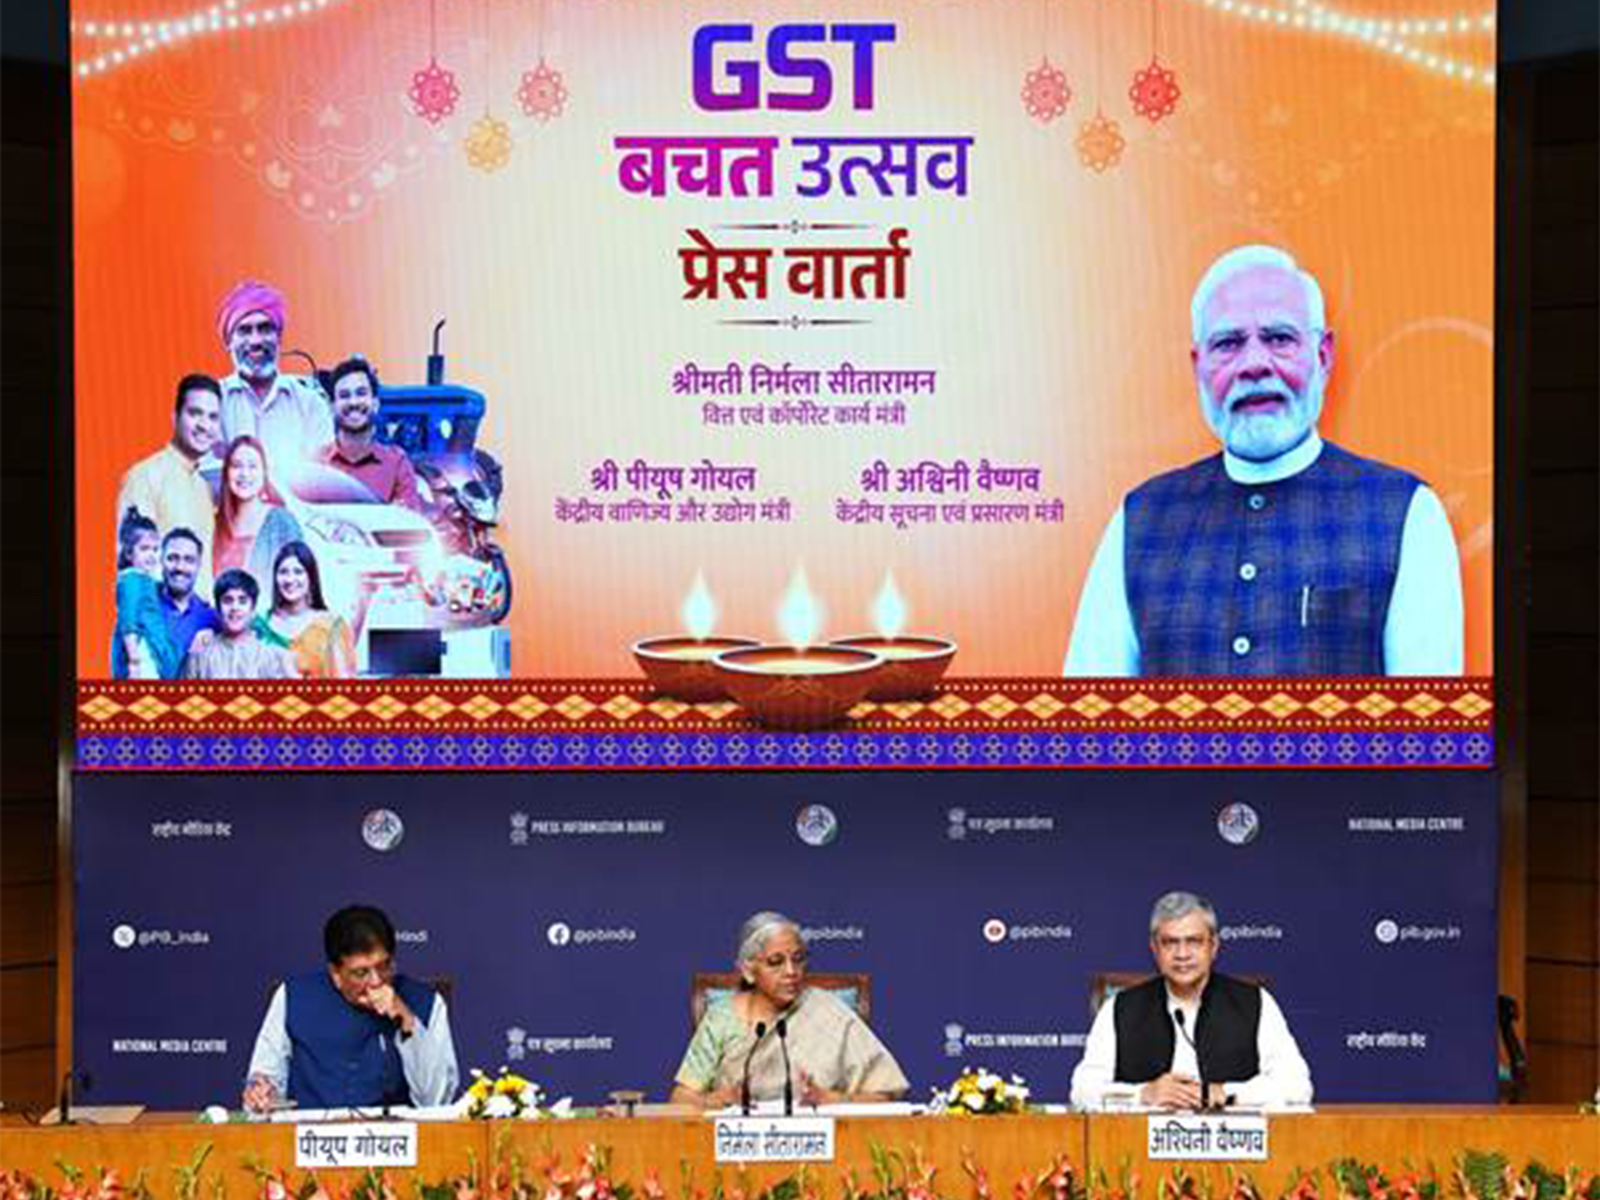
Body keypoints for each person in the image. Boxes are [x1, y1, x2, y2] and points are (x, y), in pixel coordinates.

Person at [1064, 244, 1463, 678]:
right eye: (1228, 344)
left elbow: (1425, 718)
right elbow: (1090, 717)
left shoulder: (1408, 513)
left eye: (1279, 339)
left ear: (1323, 355)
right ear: (1198, 366)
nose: (1253, 364)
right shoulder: (1139, 519)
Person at [1069, 891, 1312, 1110]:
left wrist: (1226, 1094)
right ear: (1154, 949)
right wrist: (1143, 1094)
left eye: (1194, 941)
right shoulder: (1119, 1009)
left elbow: (1298, 1086)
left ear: (1213, 946)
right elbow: (1081, 1091)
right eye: (1170, 942)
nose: (1182, 954)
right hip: (1136, 1142)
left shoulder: (1256, 1003)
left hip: (1232, 1141)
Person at [671, 912, 908, 1109]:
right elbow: (680, 1100)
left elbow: (885, 1095)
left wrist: (832, 1100)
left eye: (798, 959)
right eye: (776, 962)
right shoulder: (722, 1018)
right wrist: (717, 1100)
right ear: (748, 971)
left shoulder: (827, 1010)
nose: (791, 971)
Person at [243, 904, 458, 1112]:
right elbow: (265, 1079)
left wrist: (406, 1019)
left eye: (384, 966)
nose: (376, 981)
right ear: (336, 974)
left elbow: (436, 1102)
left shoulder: (427, 1002)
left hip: (396, 1134)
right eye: (361, 973)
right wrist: (262, 1092)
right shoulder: (292, 996)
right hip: (311, 1133)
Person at [114, 374, 223, 594]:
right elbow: (135, 569)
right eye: (195, 413)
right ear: (175, 418)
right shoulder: (145, 477)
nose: (205, 425)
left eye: (213, 417)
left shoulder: (204, 488)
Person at [216, 279, 333, 483]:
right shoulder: (211, 403)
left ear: (279, 337)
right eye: (244, 330)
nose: (256, 341)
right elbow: (207, 481)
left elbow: (322, 479)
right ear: (228, 342)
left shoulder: (311, 404)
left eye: (264, 328)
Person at [110, 527, 220, 679]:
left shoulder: (211, 618)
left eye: (189, 560)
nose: (180, 567)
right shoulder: (141, 601)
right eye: (172, 558)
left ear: (199, 565)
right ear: (161, 560)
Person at [315, 357, 423, 510]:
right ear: (332, 407)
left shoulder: (397, 464)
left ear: (375, 404)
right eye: (344, 395)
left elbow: (408, 521)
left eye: (361, 393)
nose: (353, 402)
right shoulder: (316, 463)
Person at [254, 541, 364, 679]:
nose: (290, 580)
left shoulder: (332, 626)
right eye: (283, 572)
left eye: (298, 572)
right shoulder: (259, 626)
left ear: (311, 577)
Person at [213, 435, 303, 587]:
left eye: (252, 466)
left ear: (264, 473)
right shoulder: (215, 523)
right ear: (226, 473)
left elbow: (301, 579)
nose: (244, 474)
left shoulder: (282, 523)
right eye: (236, 466)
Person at [183, 569, 298, 680]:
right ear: (218, 609)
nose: (235, 608)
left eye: (242, 601)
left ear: (253, 610)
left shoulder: (273, 658)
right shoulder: (201, 654)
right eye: (228, 601)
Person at [111, 508, 178, 680]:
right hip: (140, 650)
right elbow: (128, 619)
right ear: (128, 553)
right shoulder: (131, 579)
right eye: (144, 548)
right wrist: (134, 660)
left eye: (155, 549)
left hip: (149, 647)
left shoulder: (144, 579)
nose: (152, 555)